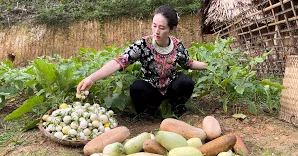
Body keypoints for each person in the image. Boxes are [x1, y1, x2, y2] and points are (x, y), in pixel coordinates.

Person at [76, 5, 207, 117]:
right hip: (151, 91)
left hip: (171, 90)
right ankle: (150, 112)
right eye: (154, 26)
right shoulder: (143, 44)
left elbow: (189, 63)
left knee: (186, 82)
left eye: (162, 28)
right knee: (137, 87)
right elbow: (120, 61)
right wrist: (92, 78)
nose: (156, 31)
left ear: (171, 29)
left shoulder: (177, 45)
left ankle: (175, 108)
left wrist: (210, 66)